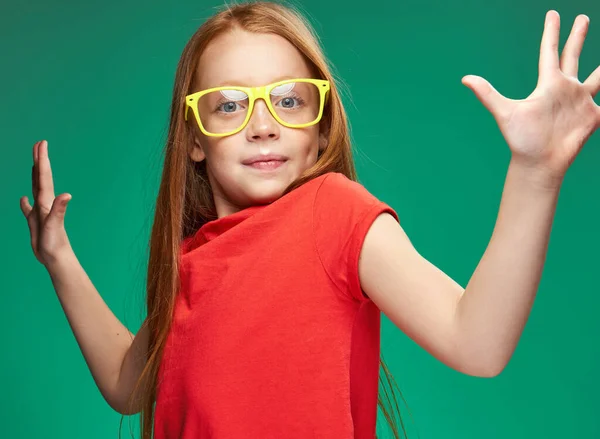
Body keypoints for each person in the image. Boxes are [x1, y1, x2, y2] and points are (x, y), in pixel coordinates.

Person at [20, 1, 600, 439]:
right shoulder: (191, 260)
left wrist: (536, 171)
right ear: (193, 136)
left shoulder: (334, 213)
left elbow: (477, 342)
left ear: (322, 124)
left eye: (289, 99)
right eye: (229, 104)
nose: (263, 124)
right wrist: (59, 260)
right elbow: (129, 385)